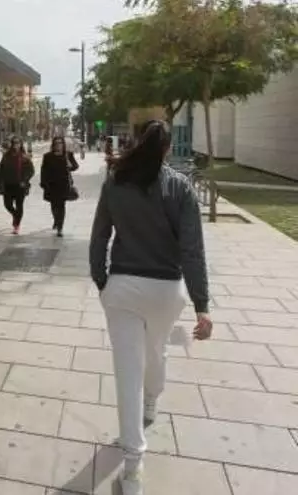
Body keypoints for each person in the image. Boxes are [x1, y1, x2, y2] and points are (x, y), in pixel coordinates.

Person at [89, 120, 213, 495]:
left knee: (127, 372)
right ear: (167, 149)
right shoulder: (180, 187)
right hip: (166, 290)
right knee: (155, 352)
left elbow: (99, 238)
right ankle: (152, 400)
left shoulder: (115, 182)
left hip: (123, 288)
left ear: (137, 143)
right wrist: (202, 305)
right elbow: (192, 250)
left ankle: (133, 469)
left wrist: (102, 281)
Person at [40, 137, 79, 237]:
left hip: (64, 184)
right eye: (56, 143)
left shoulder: (68, 155)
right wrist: (43, 183)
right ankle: (56, 220)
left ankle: (60, 227)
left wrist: (70, 165)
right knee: (53, 206)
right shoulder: (47, 156)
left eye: (60, 143)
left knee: (61, 206)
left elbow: (75, 166)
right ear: (53, 145)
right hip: (51, 185)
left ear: (63, 144)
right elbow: (43, 170)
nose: (58, 145)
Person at [0, 136, 34, 234]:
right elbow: (1, 170)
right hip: (8, 185)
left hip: (20, 186)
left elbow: (31, 171)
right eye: (14, 143)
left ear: (21, 144)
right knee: (7, 205)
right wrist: (0, 183)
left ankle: (16, 225)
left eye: (18, 143)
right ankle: (15, 215)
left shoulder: (24, 157)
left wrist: (24, 180)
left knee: (19, 205)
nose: (16, 145)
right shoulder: (6, 156)